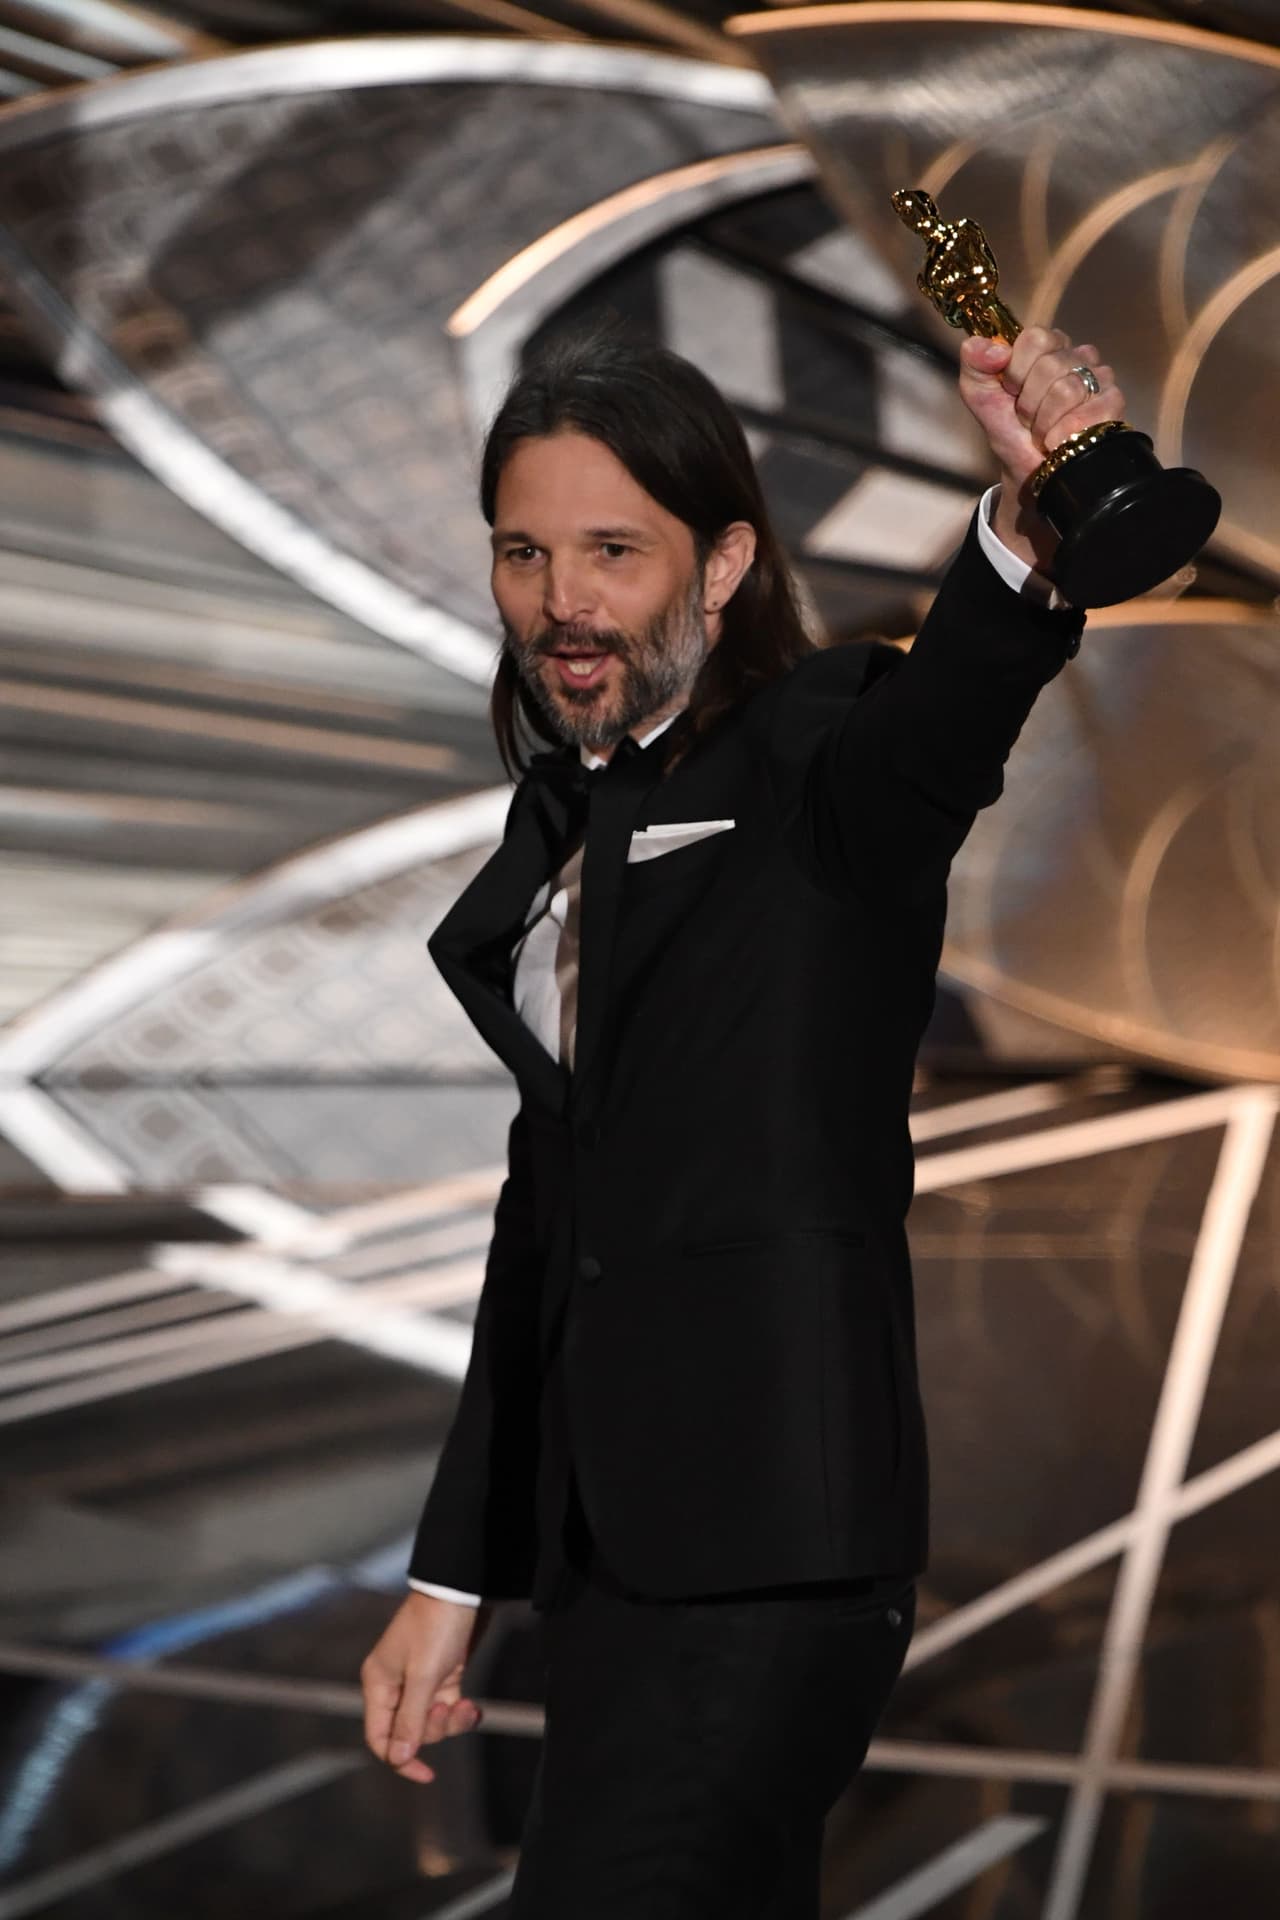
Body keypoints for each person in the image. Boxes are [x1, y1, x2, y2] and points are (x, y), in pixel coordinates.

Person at [361, 318, 1122, 1916]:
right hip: (610, 1565)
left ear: (720, 567)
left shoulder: (817, 755)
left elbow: (951, 717)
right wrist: (451, 1575)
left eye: (613, 552)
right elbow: (547, 1237)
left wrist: (1026, 525)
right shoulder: (562, 829)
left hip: (773, 1549)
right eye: (525, 551)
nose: (562, 601)